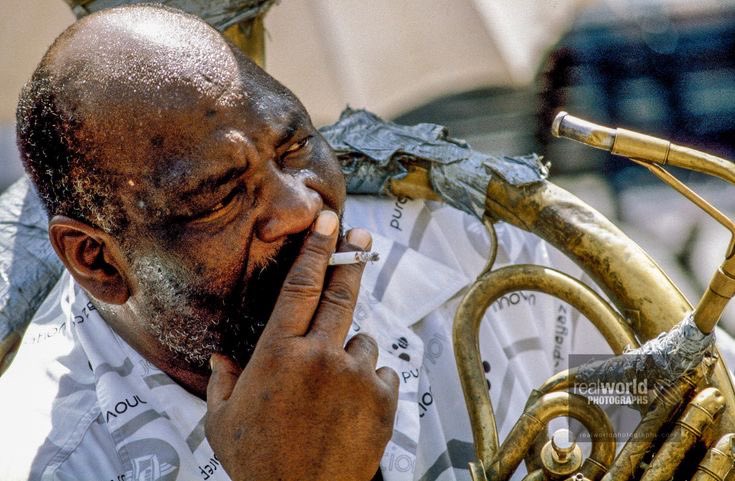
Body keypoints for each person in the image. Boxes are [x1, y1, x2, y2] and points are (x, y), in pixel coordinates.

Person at [4, 4, 723, 481]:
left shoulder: (480, 248)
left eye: (293, 147)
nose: (298, 206)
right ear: (97, 261)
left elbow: (695, 425)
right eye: (220, 194)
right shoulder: (48, 456)